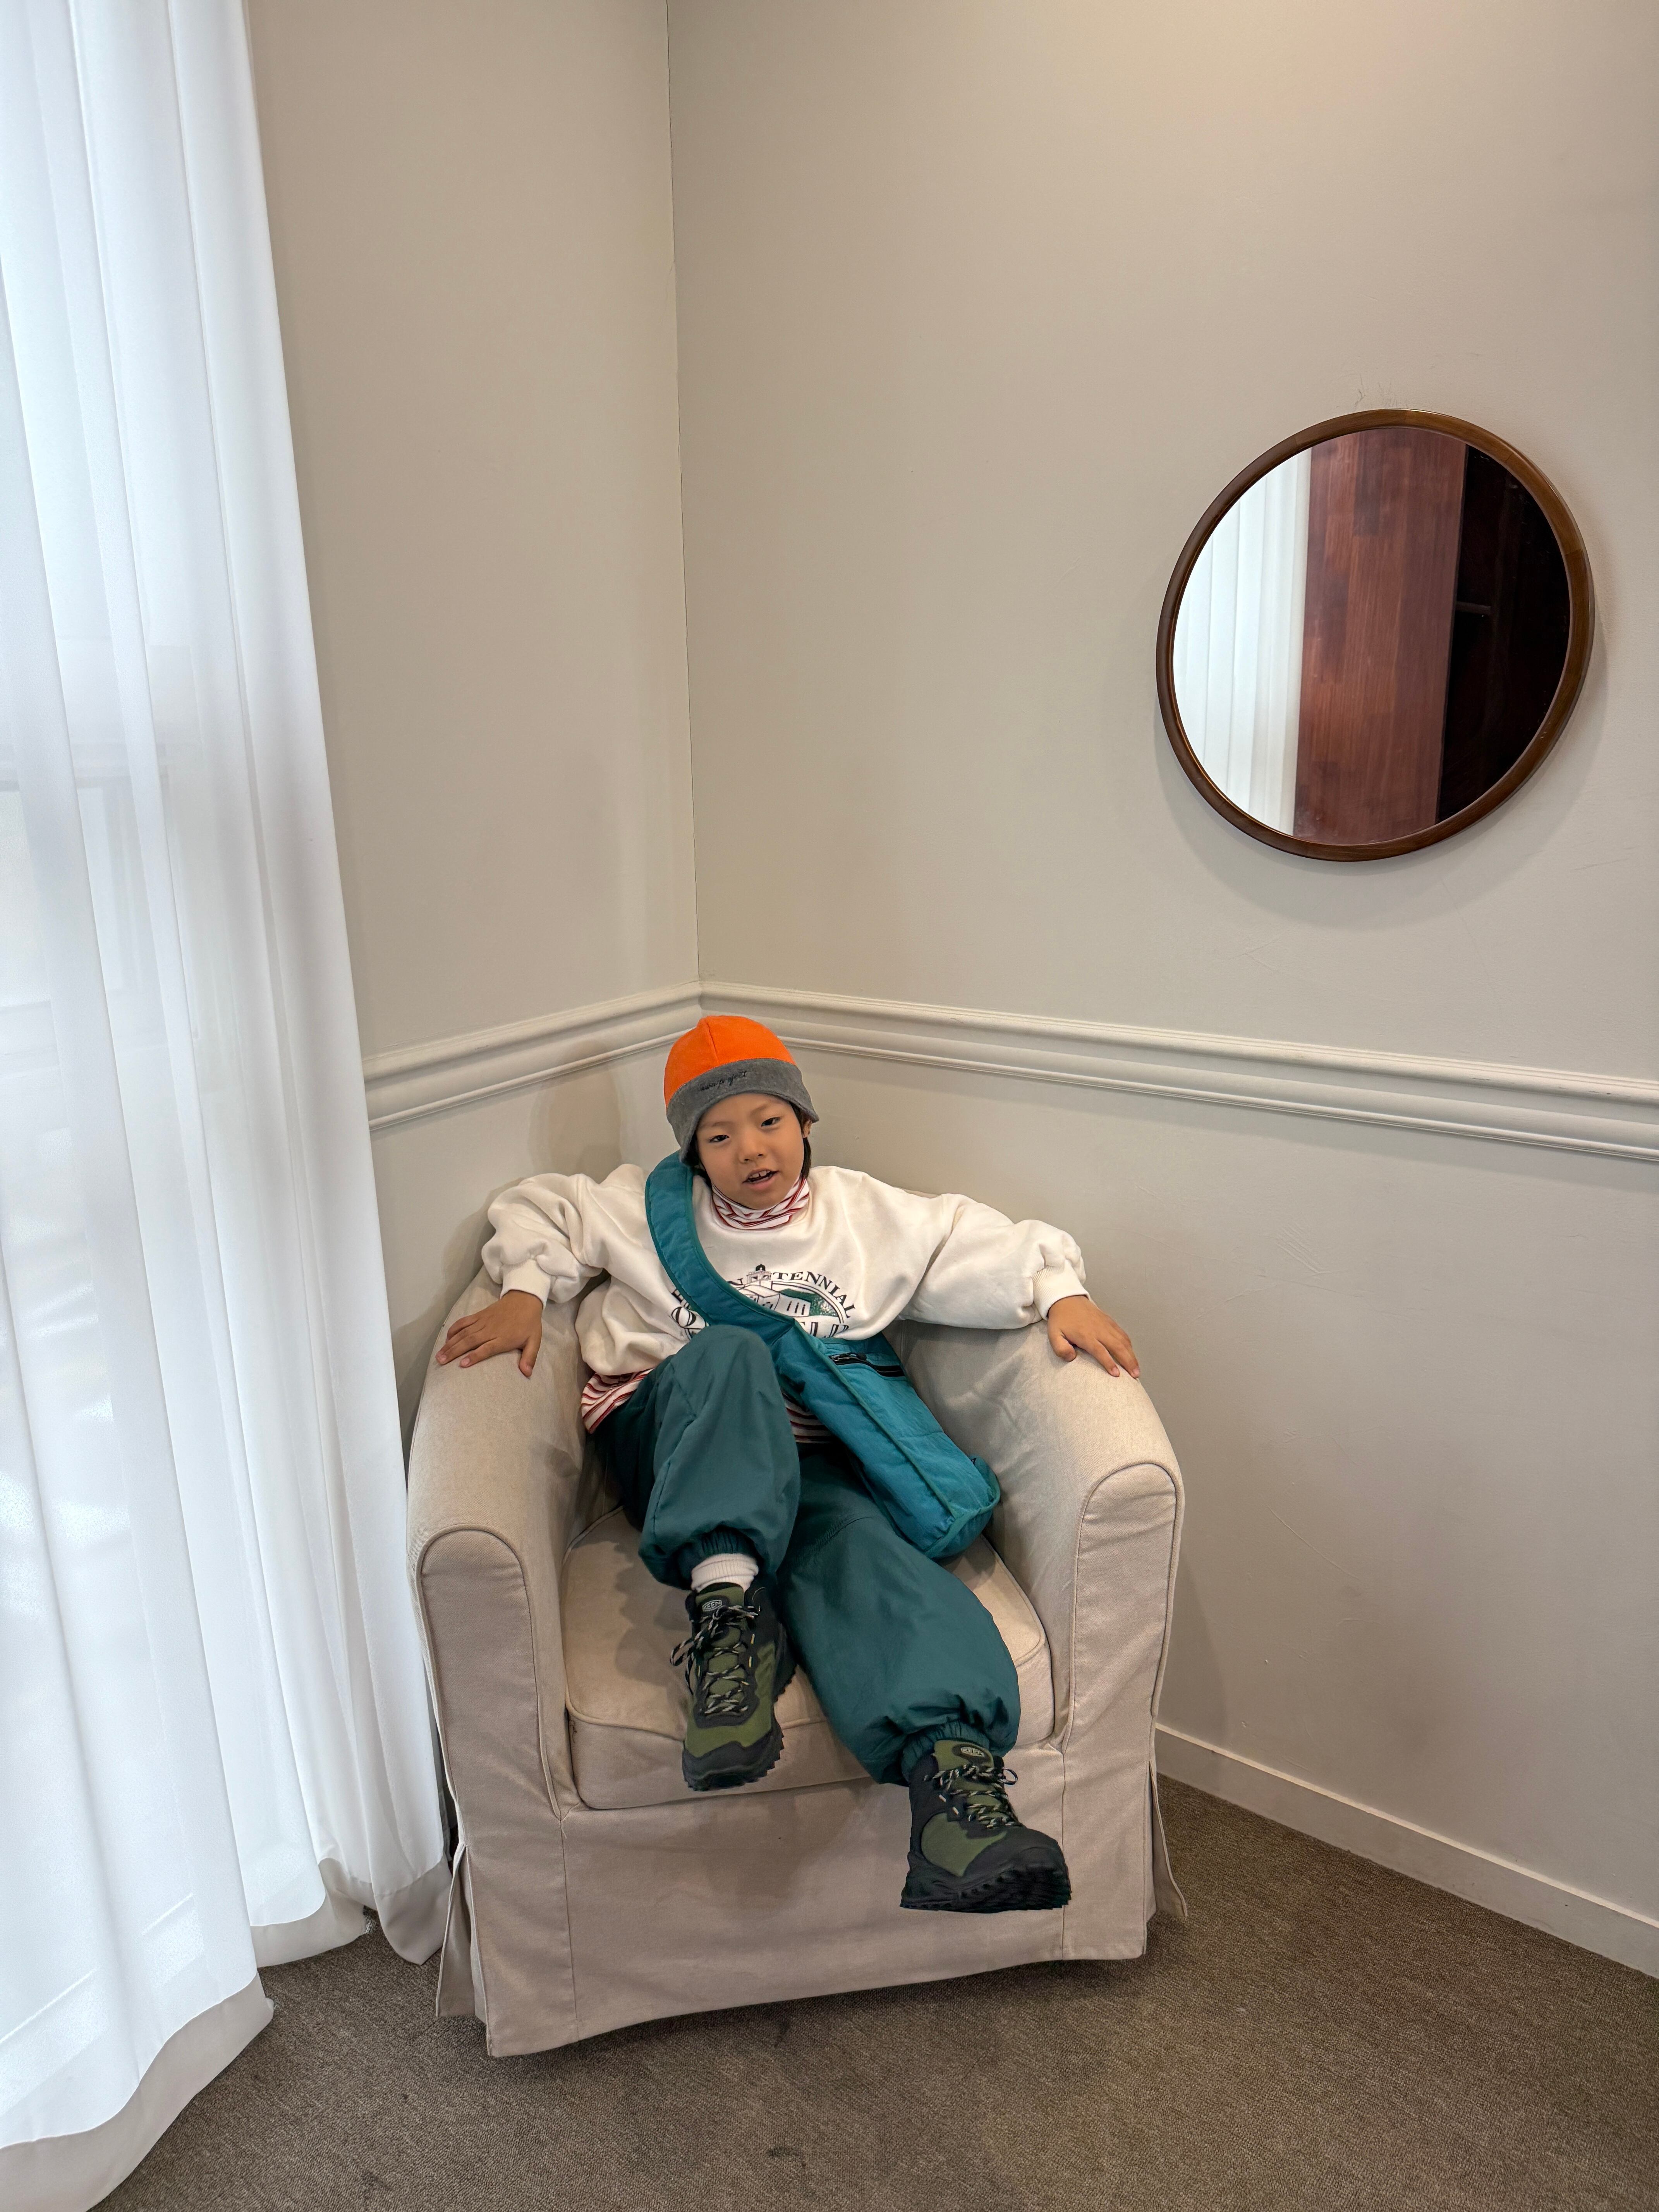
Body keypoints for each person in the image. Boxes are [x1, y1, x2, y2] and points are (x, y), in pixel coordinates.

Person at [437, 1015, 1138, 1914]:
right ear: (693, 1154)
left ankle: (955, 1796)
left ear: (805, 1123)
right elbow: (542, 1208)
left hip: (809, 1458)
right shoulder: (644, 1209)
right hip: (676, 1435)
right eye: (719, 1136)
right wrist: (526, 1291)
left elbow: (969, 1239)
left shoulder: (863, 1215)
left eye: (769, 1122)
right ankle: (729, 1620)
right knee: (733, 1355)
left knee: (864, 1552)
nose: (751, 1149)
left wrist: (1058, 1291)